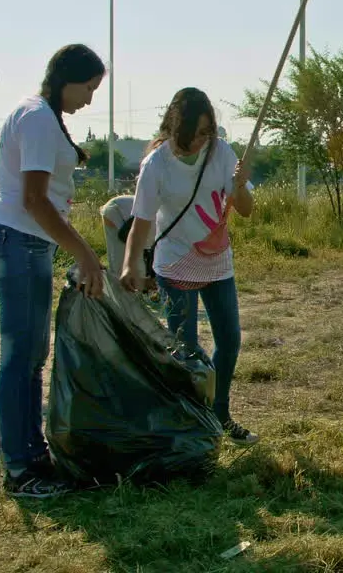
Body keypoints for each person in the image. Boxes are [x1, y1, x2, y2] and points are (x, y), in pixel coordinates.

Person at [0, 43, 106, 499]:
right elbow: (34, 199)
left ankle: (32, 454)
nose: (89, 98)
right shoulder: (35, 118)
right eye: (88, 87)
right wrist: (84, 253)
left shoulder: (45, 119)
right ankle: (19, 469)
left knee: (32, 356)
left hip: (28, 242)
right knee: (19, 357)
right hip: (15, 239)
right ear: (67, 77)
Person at [120, 87, 259, 446]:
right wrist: (131, 263)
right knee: (187, 350)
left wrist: (241, 185)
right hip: (175, 264)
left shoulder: (222, 153)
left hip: (217, 263)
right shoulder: (157, 164)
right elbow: (142, 221)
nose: (201, 141)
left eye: (206, 133)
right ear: (176, 130)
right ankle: (193, 420)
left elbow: (245, 209)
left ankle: (221, 413)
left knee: (229, 341)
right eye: (194, 134)